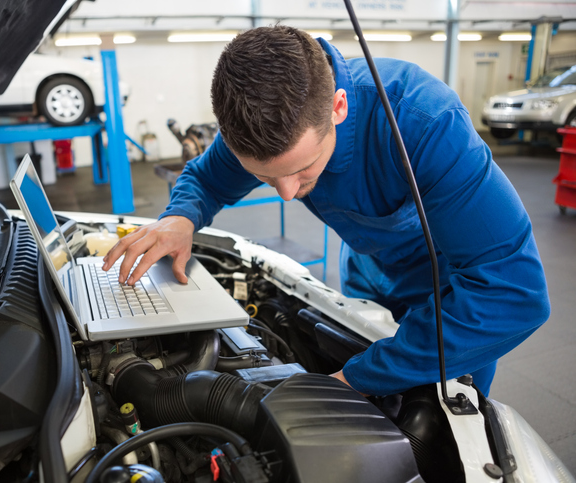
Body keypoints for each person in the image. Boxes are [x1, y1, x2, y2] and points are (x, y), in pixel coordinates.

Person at [102, 25, 550, 397]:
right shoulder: (258, 123)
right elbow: (205, 178)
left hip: (453, 291)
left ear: (338, 107)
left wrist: (354, 379)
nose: (287, 194)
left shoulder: (424, 122)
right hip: (365, 271)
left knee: (442, 414)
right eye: (265, 177)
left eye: (302, 169)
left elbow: (512, 292)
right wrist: (180, 219)